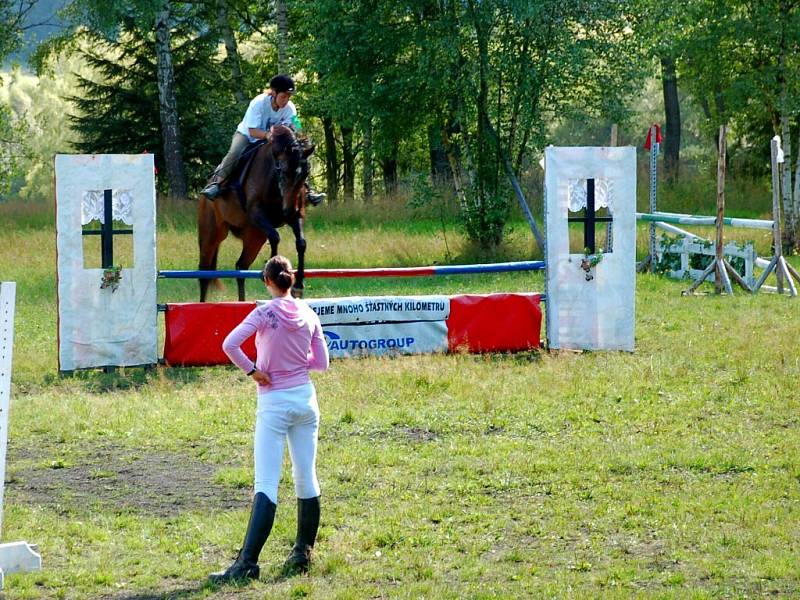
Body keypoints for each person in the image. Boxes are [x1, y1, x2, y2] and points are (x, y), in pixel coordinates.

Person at [210, 255, 330, 584]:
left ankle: (247, 562)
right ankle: (302, 553)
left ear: (267, 281)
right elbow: (321, 362)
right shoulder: (308, 313)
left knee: (266, 483)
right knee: (307, 477)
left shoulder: (264, 312)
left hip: (274, 402)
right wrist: (296, 359)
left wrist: (254, 370)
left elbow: (229, 343)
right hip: (305, 400)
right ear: (290, 280)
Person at [201, 74, 325, 206]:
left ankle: (308, 191)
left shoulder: (290, 108)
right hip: (247, 136)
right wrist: (267, 135)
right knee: (235, 152)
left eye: (289, 97)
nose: (286, 100)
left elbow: (296, 125)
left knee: (298, 155)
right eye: (283, 96)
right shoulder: (258, 103)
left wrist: (300, 137)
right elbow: (252, 131)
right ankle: (217, 184)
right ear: (273, 93)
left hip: (272, 140)